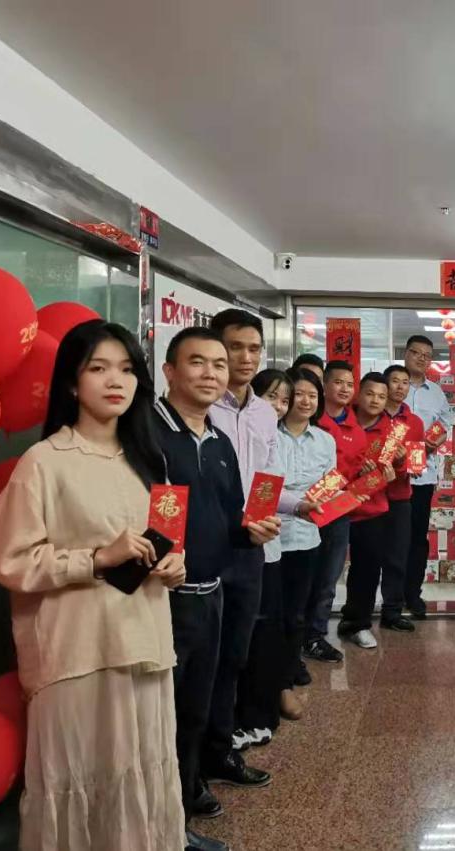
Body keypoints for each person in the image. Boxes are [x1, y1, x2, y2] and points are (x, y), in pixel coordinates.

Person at [0, 320, 186, 851]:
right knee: (77, 785)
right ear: (73, 384)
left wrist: (175, 566)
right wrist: (96, 559)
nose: (115, 381)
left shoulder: (151, 460)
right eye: (98, 369)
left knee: (142, 776)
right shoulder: (44, 462)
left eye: (126, 369)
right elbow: (9, 561)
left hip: (146, 646)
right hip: (76, 654)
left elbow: (169, 540)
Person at [151, 326, 279, 849]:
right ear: (169, 371)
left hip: (213, 591)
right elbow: (145, 518)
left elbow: (231, 516)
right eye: (198, 362)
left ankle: (183, 806)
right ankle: (162, 822)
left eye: (218, 365)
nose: (211, 373)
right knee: (162, 713)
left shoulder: (220, 440)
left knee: (196, 709)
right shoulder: (148, 433)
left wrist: (253, 531)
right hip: (161, 598)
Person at [203, 309, 279, 791]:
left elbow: (267, 479)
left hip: (250, 548)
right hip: (206, 548)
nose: (246, 358)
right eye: (236, 347)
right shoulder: (200, 406)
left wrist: (279, 512)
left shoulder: (265, 412)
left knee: (235, 653)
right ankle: (190, 764)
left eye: (254, 349)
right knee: (200, 659)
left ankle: (220, 750)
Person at [235, 369, 294, 750]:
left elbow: (268, 486)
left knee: (265, 630)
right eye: (272, 396)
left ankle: (260, 712)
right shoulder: (223, 420)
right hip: (228, 546)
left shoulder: (267, 427)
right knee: (238, 638)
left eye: (284, 399)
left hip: (264, 543)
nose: (278, 406)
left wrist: (299, 506)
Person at [273, 368, 336, 722]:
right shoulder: (269, 434)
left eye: (313, 395)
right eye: (299, 394)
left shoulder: (325, 441)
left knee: (298, 610)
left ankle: (290, 664)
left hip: (308, 535)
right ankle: (274, 674)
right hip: (270, 534)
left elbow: (330, 486)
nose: (306, 401)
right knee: (273, 611)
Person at [304, 360, 368, 663]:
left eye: (349, 384)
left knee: (328, 578)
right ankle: (292, 636)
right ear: (324, 385)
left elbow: (355, 475)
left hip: (338, 512)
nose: (344, 389)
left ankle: (315, 636)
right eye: (338, 382)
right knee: (301, 576)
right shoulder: (310, 419)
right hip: (303, 509)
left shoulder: (357, 429)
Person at [338, 371, 408, 647]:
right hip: (334, 506)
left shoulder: (392, 432)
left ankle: (357, 623)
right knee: (325, 572)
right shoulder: (341, 420)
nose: (375, 400)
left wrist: (398, 465)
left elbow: (399, 474)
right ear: (359, 393)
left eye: (381, 396)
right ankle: (312, 628)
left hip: (372, 509)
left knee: (366, 569)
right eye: (369, 393)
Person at [403, 335, 451, 619]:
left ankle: (413, 594)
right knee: (393, 537)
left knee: (418, 538)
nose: (421, 358)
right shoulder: (393, 384)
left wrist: (436, 440)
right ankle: (392, 595)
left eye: (427, 355)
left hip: (423, 475)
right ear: (405, 354)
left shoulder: (436, 392)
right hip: (392, 474)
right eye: (416, 353)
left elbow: (444, 424)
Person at [382, 364, 426, 615]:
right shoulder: (371, 415)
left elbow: (416, 466)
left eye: (405, 382)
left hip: (400, 496)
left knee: (398, 556)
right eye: (395, 381)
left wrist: (406, 462)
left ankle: (393, 609)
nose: (400, 387)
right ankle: (359, 612)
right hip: (370, 496)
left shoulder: (415, 422)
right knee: (367, 557)